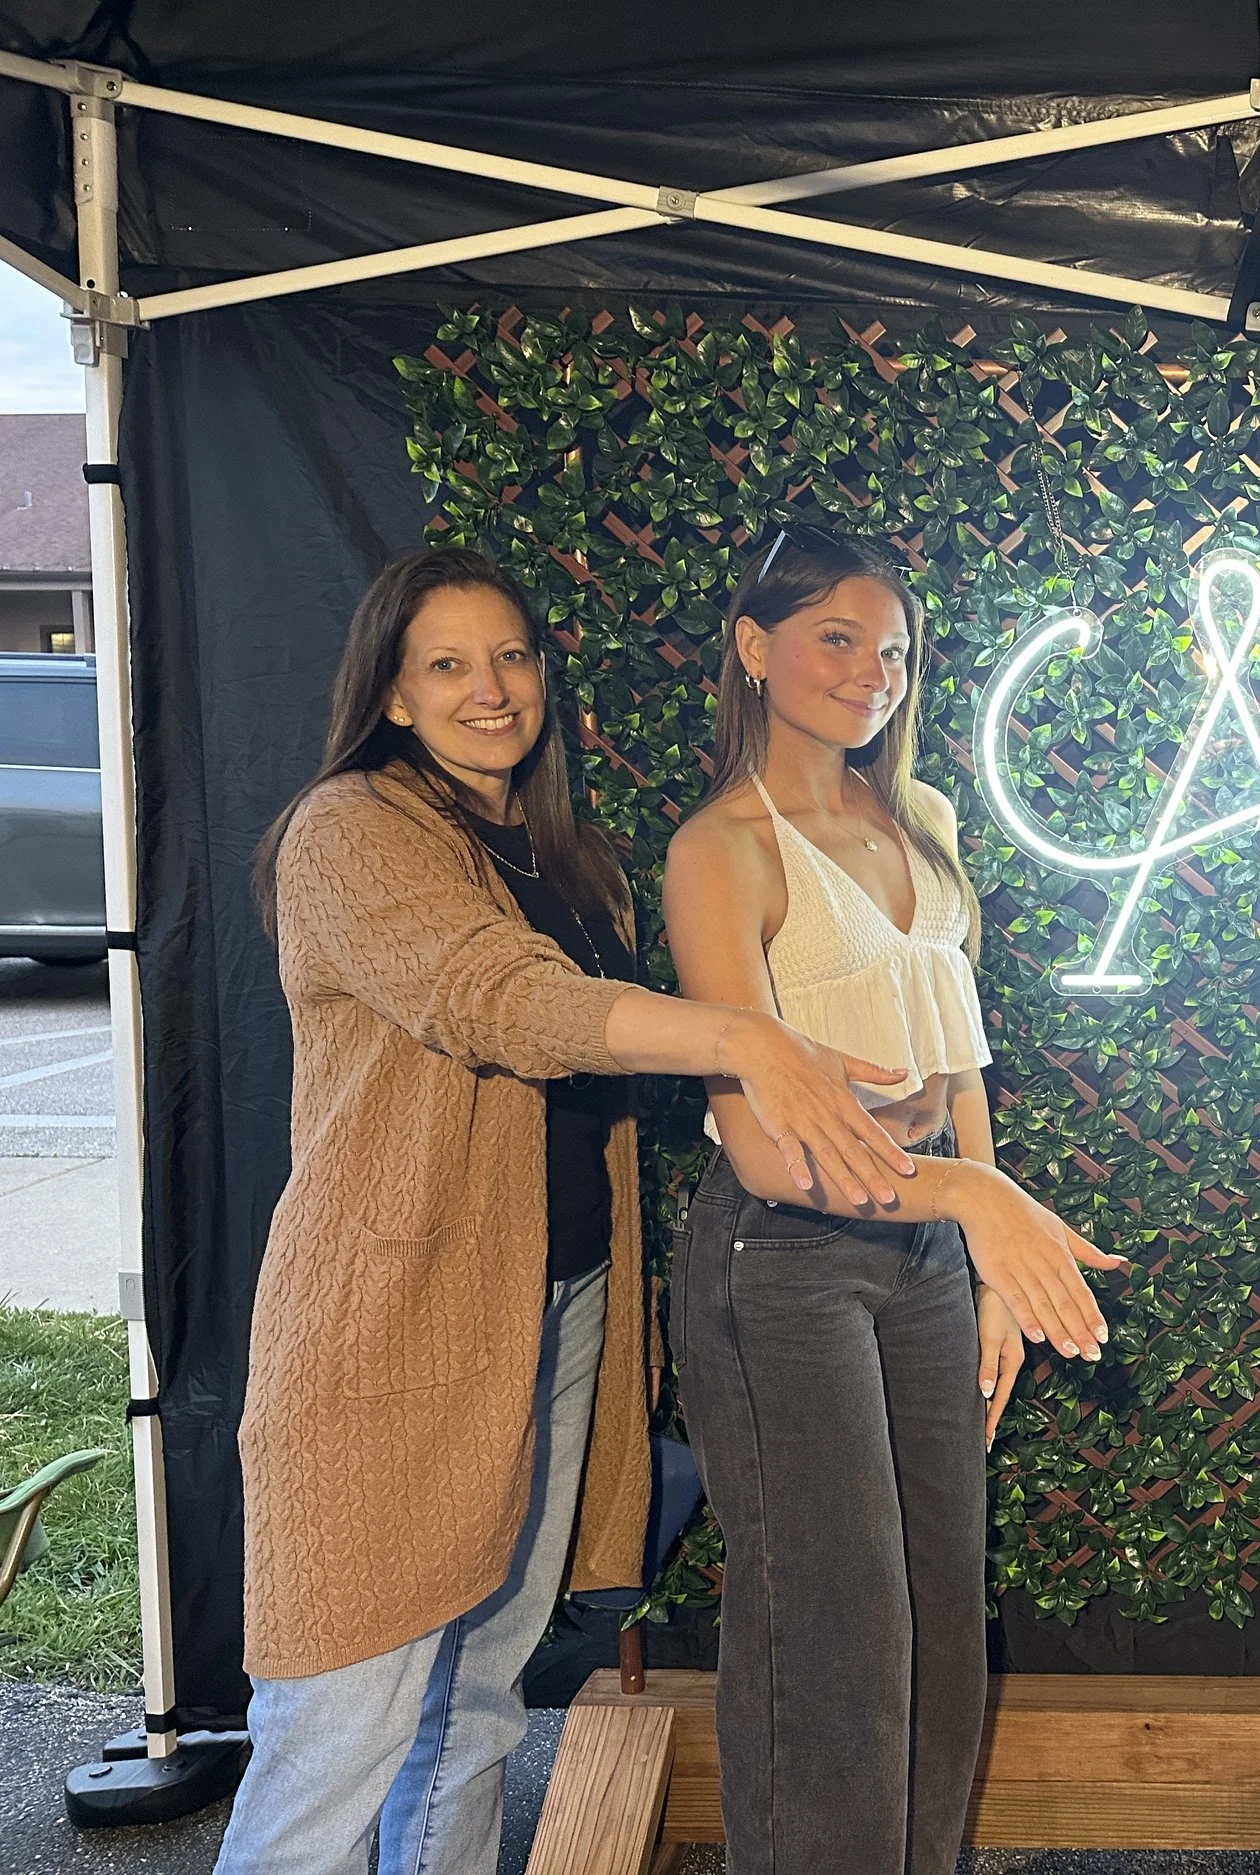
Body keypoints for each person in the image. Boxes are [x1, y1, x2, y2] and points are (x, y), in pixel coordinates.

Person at [219, 545, 930, 1875]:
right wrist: (746, 1038)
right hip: (395, 1326)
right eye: (448, 663)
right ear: (390, 693)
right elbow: (497, 996)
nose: (490, 687)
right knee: (344, 1725)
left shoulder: (564, 851)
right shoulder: (352, 831)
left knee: (484, 1693)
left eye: (512, 656)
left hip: (556, 1302)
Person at [663, 524, 1122, 1875]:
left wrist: (977, 1250)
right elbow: (760, 1146)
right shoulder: (721, 850)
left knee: (937, 1615)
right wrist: (973, 1195)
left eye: (895, 651)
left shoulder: (919, 818)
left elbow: (958, 1049)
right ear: (754, 647)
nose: (873, 673)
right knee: (835, 1630)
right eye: (837, 639)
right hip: (783, 1256)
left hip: (920, 1255)